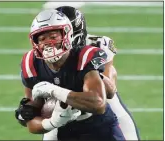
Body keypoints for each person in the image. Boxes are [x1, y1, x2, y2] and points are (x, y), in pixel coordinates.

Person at [15, 9, 125, 141]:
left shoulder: (87, 53)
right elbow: (30, 121)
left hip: (97, 123)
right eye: (42, 39)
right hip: (61, 127)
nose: (48, 43)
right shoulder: (30, 63)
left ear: (67, 34)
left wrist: (54, 90)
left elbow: (102, 100)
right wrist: (52, 121)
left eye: (53, 36)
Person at [54, 6, 140, 140]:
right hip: (65, 113)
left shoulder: (99, 44)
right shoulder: (42, 54)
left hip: (106, 111)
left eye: (58, 33)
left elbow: (108, 92)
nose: (52, 40)